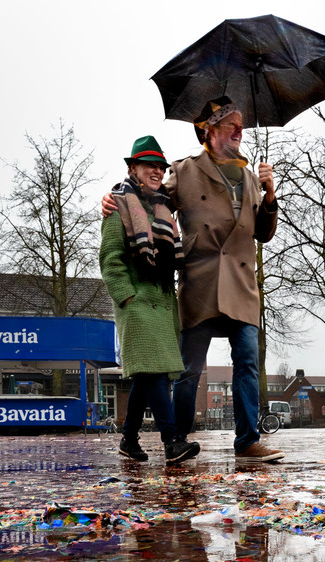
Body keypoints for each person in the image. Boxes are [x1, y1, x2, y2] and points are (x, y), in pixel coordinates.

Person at [102, 97, 283, 462]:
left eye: (241, 125)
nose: (239, 131)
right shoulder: (184, 170)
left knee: (247, 362)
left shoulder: (251, 177)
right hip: (200, 282)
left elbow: (263, 233)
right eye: (231, 124)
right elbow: (148, 200)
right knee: (189, 369)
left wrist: (270, 195)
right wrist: (114, 200)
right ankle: (177, 439)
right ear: (210, 131)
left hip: (242, 285)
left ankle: (247, 441)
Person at [99, 136, 199, 464]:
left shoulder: (164, 208)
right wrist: (127, 297)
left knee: (147, 375)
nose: (156, 171)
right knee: (153, 372)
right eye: (149, 166)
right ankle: (172, 441)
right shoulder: (118, 205)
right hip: (138, 303)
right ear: (133, 168)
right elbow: (111, 258)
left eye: (160, 167)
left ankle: (128, 439)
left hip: (162, 301)